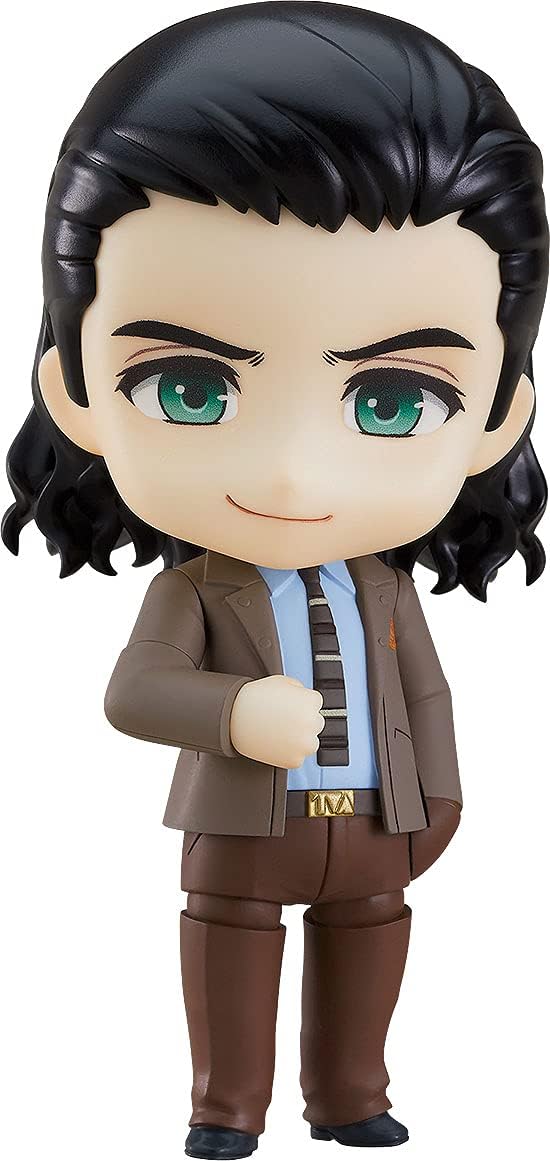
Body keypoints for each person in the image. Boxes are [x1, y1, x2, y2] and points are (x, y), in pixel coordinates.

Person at [3, 5, 547, 1158]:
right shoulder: (198, 591)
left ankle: (351, 1097)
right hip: (247, 827)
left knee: (371, 942)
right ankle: (226, 1109)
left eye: (391, 402)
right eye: (191, 388)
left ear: (499, 414)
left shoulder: (386, 591)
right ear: (75, 392)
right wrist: (235, 713)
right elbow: (135, 692)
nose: (293, 472)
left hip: (377, 827)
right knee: (232, 946)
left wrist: (441, 803)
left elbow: (429, 698)